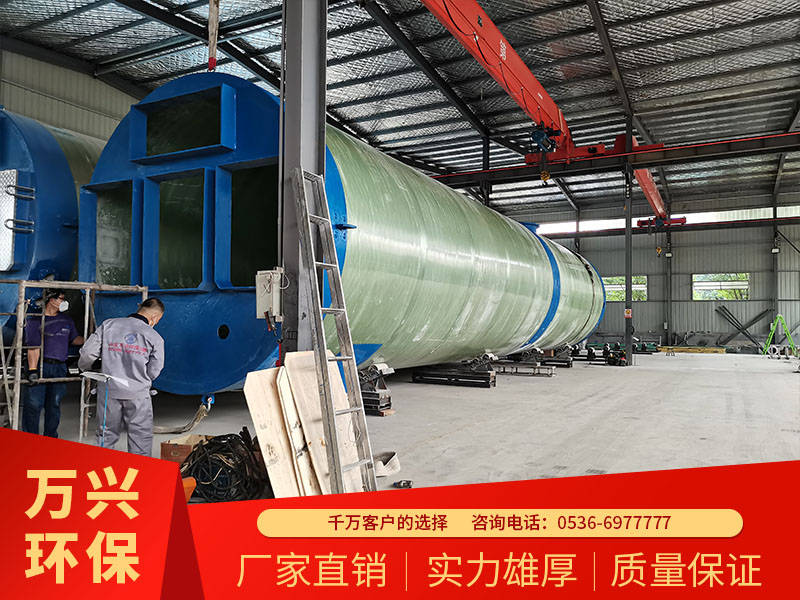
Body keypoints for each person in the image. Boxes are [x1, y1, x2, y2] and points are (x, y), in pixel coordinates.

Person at [78, 298, 165, 456]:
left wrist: (84, 368)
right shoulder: (154, 336)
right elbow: (155, 368)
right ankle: (139, 470)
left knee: (106, 435)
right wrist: (141, 380)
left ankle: (101, 469)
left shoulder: (109, 325)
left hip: (109, 391)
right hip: (138, 394)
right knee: (140, 438)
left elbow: (87, 353)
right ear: (154, 318)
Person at [23, 289, 84, 437]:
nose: (65, 302)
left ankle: (50, 437)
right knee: (34, 405)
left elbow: (74, 339)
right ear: (52, 300)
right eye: (62, 299)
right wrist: (32, 370)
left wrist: (93, 339)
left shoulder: (67, 320)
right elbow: (33, 348)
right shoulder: (35, 321)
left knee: (54, 405)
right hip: (40, 365)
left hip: (59, 367)